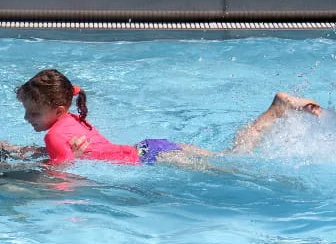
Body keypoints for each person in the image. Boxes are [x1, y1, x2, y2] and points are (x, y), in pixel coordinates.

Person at [16, 69, 322, 166]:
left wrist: (45, 163)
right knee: (229, 156)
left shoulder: (53, 135)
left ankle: (276, 110)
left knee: (236, 164)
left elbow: (61, 180)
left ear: (57, 111)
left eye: (34, 111)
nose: (28, 118)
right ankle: (275, 111)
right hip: (151, 147)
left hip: (153, 161)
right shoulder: (73, 119)